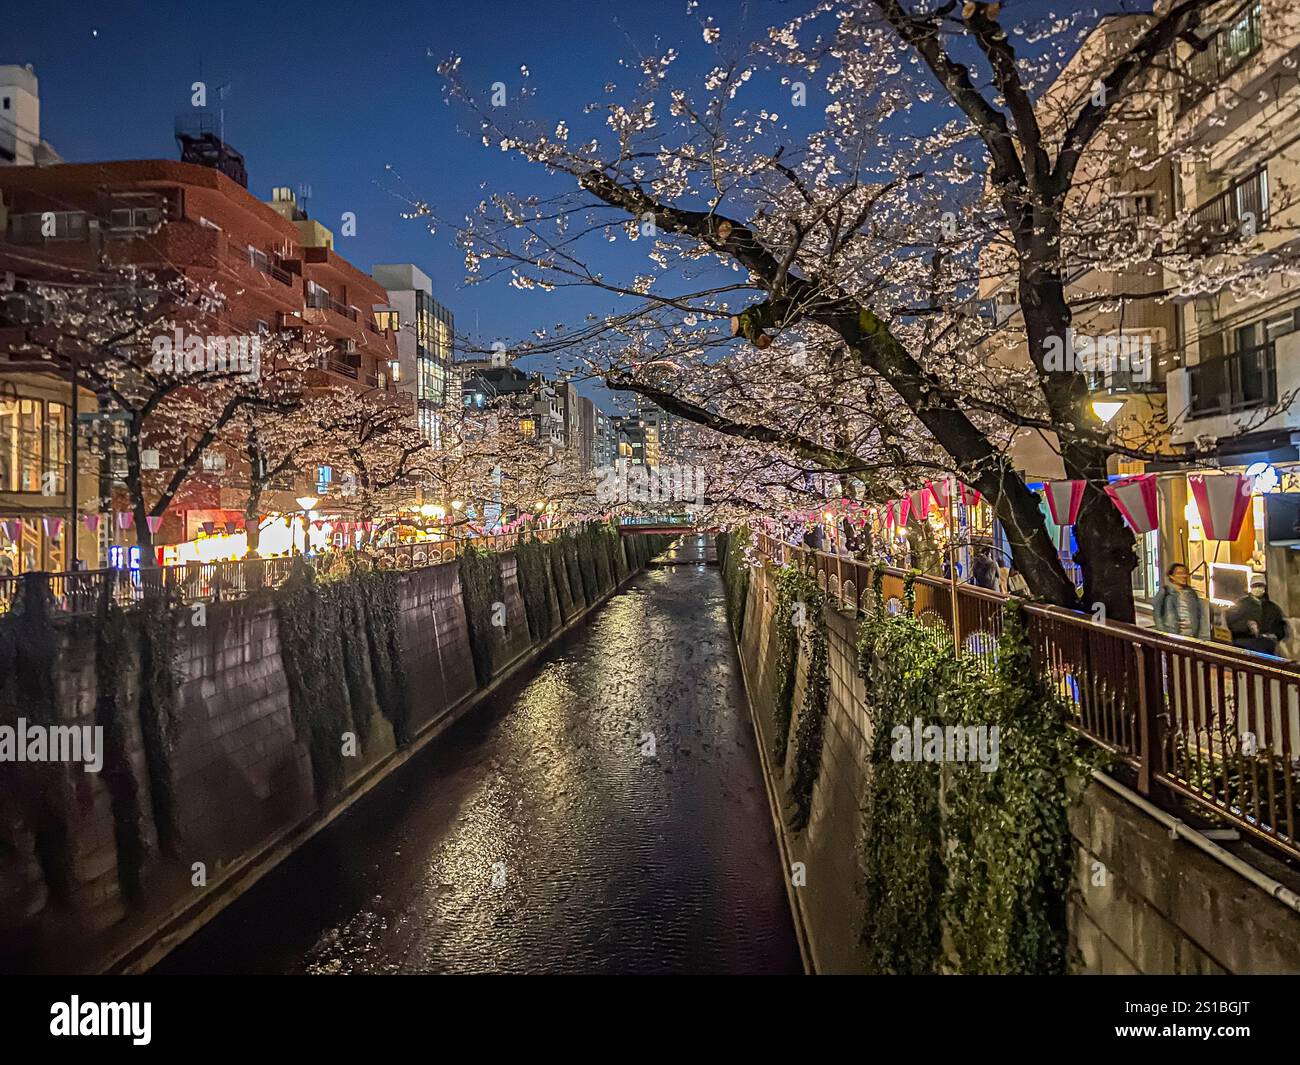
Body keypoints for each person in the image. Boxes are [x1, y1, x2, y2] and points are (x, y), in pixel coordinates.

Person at [1226, 576, 1288, 656]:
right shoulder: (1241, 604)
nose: (1258, 589)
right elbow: (1232, 623)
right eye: (1255, 586)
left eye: (1260, 586)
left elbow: (1280, 626)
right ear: (1251, 588)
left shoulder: (1272, 607)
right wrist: (1248, 626)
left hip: (1266, 643)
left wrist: (1274, 634)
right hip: (1244, 641)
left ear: (1264, 588)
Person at [1152, 562, 1210, 640]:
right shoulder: (1165, 592)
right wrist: (1163, 634)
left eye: (1185, 573)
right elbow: (1157, 615)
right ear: (1171, 576)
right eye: (1179, 573)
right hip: (1173, 634)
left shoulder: (1191, 593)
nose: (1183, 576)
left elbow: (1200, 615)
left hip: (1191, 635)